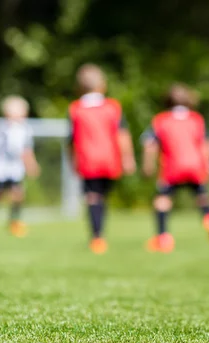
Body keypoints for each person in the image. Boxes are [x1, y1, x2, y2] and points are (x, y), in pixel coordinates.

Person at [141, 83, 209, 253]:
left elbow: (149, 144)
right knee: (202, 197)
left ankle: (163, 238)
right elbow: (206, 143)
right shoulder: (196, 120)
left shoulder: (161, 120)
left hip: (173, 168)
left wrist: (148, 165)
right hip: (196, 166)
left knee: (162, 200)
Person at [67, 64, 136, 254]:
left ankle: (97, 237)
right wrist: (128, 158)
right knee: (102, 196)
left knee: (92, 197)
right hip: (109, 160)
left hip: (88, 160)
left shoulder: (75, 109)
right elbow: (122, 135)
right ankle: (100, 234)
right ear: (102, 86)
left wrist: (72, 160)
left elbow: (71, 139)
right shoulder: (113, 107)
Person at [0, 95, 40, 237]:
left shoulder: (25, 130)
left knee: (18, 193)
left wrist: (31, 165)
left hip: (15, 167)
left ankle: (14, 222)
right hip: (1, 166)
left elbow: (26, 151)